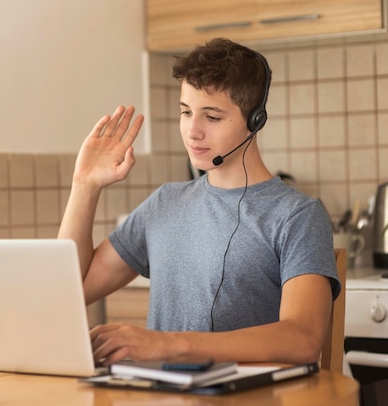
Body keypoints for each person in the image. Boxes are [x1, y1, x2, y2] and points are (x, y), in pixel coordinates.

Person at [58, 37, 340, 367]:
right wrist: (84, 185)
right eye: (186, 112)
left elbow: (302, 340)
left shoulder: (298, 216)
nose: (192, 131)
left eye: (212, 117)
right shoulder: (164, 203)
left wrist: (169, 345)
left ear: (255, 121)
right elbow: (68, 292)